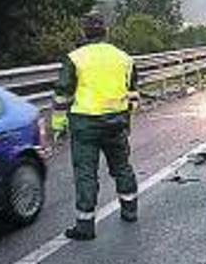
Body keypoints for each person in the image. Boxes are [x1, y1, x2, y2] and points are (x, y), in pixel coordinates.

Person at [51, 14, 140, 241]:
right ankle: (130, 211)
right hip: (116, 122)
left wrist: (58, 125)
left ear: (84, 33)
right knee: (122, 167)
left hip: (85, 124)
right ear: (106, 32)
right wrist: (127, 118)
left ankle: (85, 226)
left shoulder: (75, 58)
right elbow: (132, 93)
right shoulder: (124, 58)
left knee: (86, 174)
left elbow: (62, 95)